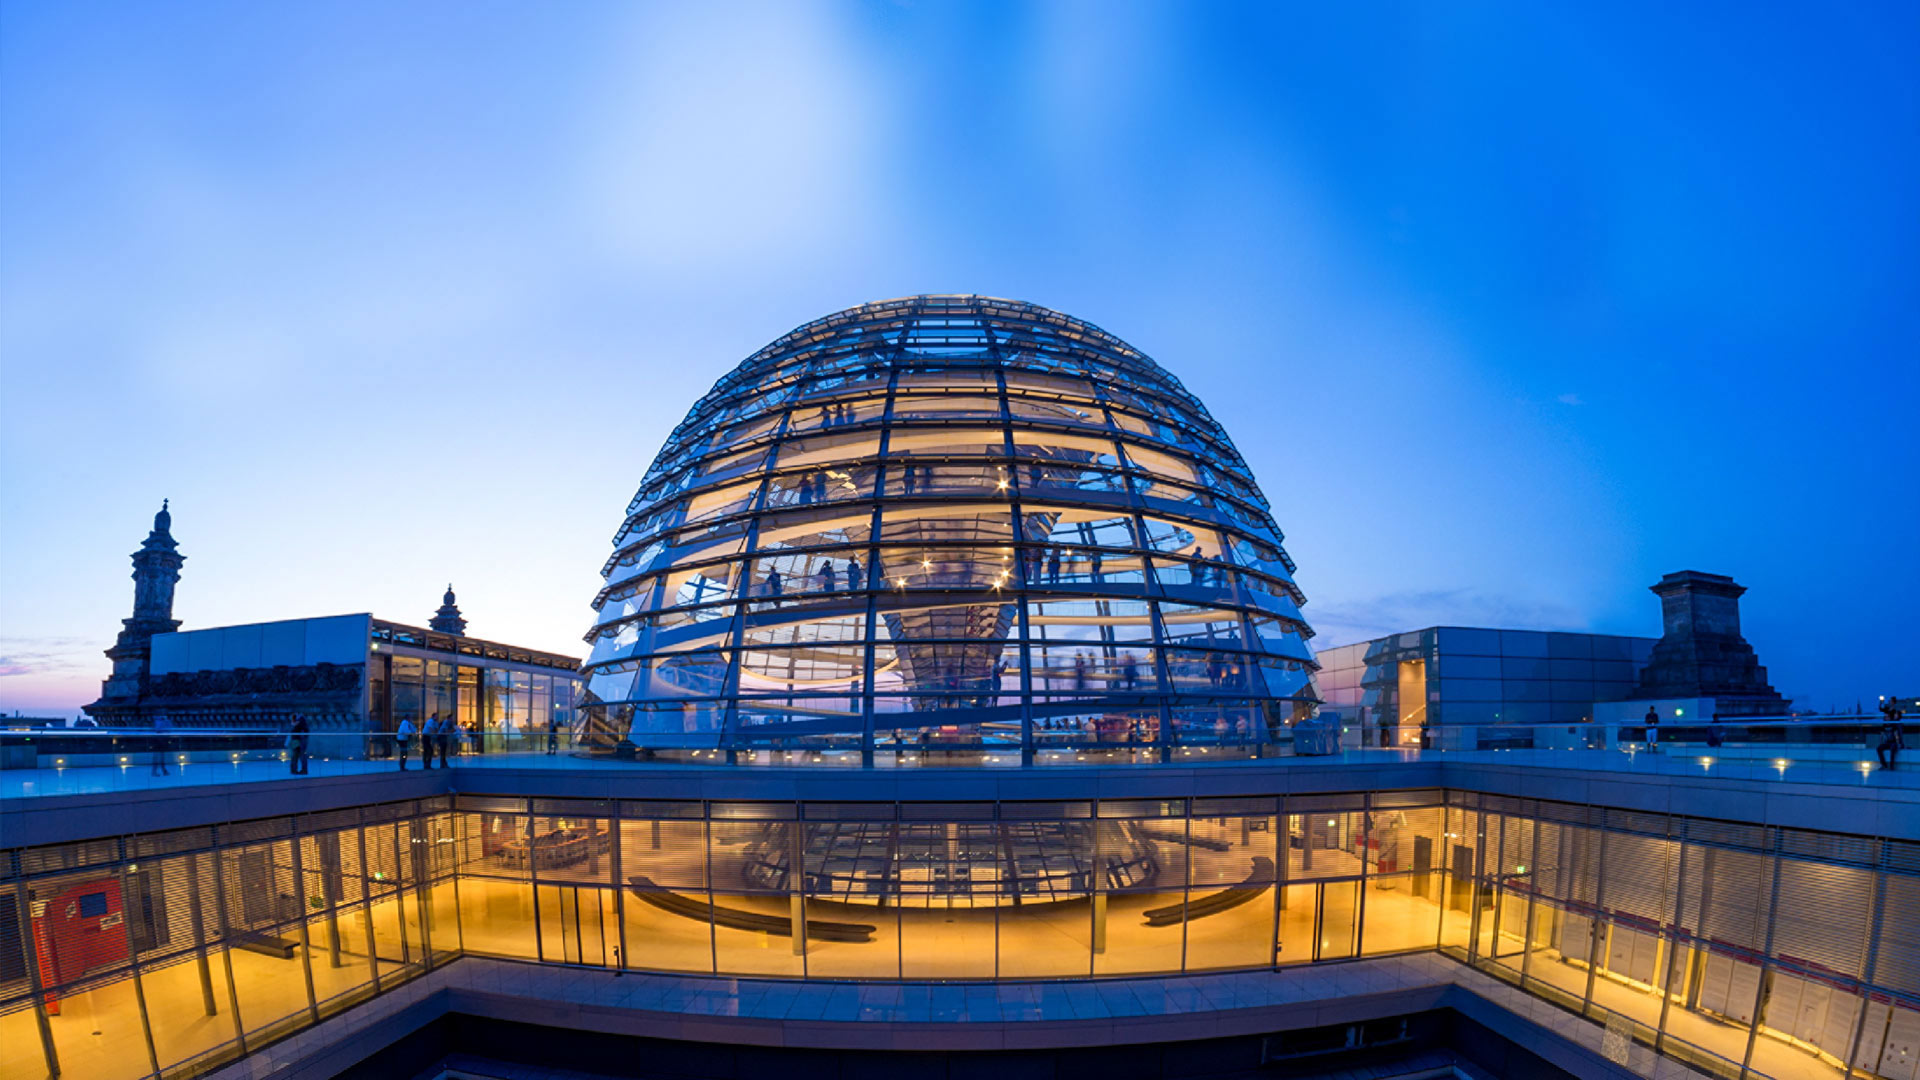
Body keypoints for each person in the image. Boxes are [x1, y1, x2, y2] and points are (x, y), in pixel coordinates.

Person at [1879, 698, 1906, 771]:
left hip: (1894, 724)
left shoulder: (1895, 710)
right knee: (1880, 748)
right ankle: (1884, 765)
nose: (1889, 702)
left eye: (1891, 701)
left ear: (1894, 702)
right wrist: (1881, 702)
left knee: (1896, 734)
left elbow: (1898, 716)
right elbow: (1881, 709)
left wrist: (1898, 743)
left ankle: (1891, 766)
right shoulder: (1887, 708)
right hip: (1889, 725)